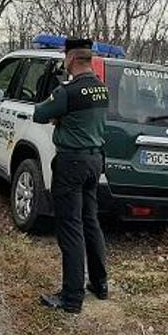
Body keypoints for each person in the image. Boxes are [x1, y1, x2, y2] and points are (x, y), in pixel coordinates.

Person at [33, 37, 110, 314]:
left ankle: (71, 297)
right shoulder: (102, 89)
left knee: (70, 228)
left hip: (71, 163)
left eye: (65, 58)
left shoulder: (69, 91)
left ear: (71, 60)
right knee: (91, 222)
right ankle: (100, 284)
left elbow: (39, 113)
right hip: (94, 161)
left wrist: (59, 117)